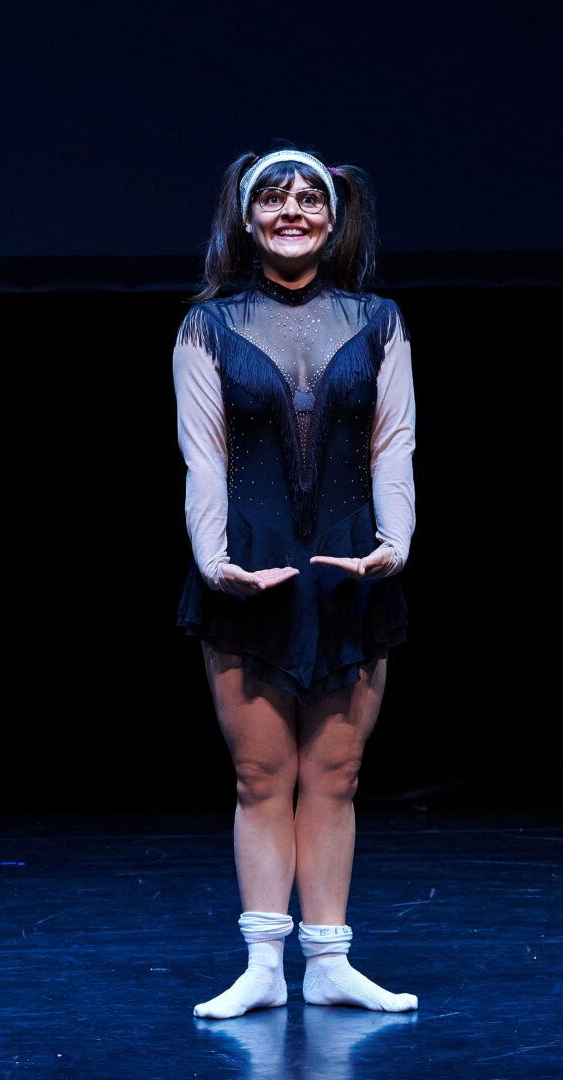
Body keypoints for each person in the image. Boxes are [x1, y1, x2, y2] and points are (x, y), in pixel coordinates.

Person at [172, 143, 419, 1018]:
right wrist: (214, 562)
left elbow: (394, 443)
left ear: (333, 216)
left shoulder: (379, 320)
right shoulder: (208, 326)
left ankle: (330, 961)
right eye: (273, 198)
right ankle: (263, 966)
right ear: (246, 220)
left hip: (352, 565)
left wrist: (395, 543)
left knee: (337, 774)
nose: (291, 211)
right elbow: (203, 456)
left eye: (308, 198)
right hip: (252, 565)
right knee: (261, 774)